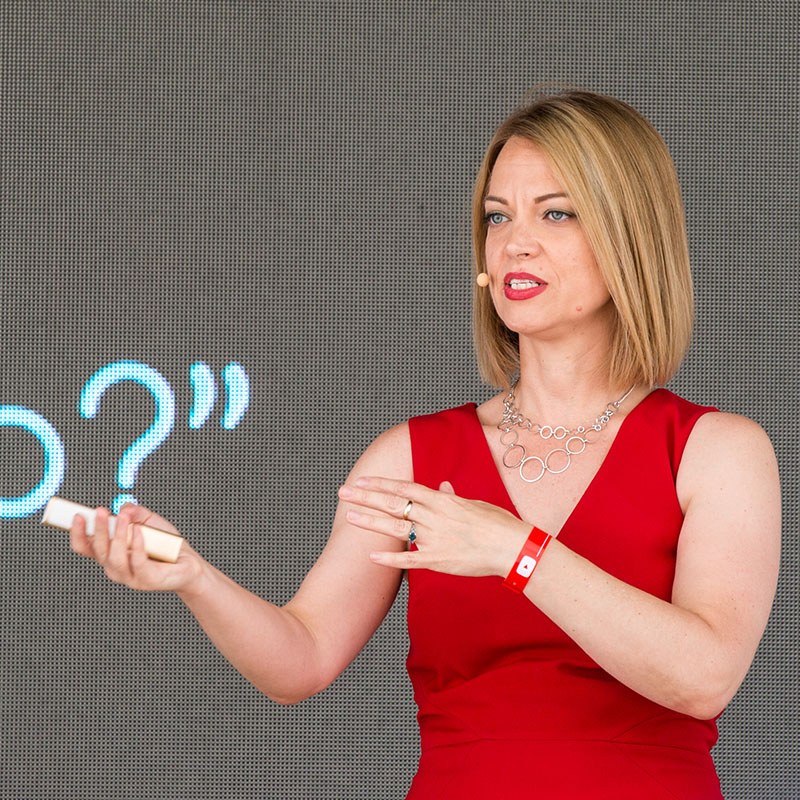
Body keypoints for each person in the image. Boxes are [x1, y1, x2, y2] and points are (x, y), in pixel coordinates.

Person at [69, 89, 781, 799]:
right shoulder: (413, 457)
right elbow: (302, 659)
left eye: (556, 212)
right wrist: (194, 576)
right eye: (497, 216)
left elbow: (705, 678)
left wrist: (516, 551)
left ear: (632, 237)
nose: (515, 242)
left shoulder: (717, 451)